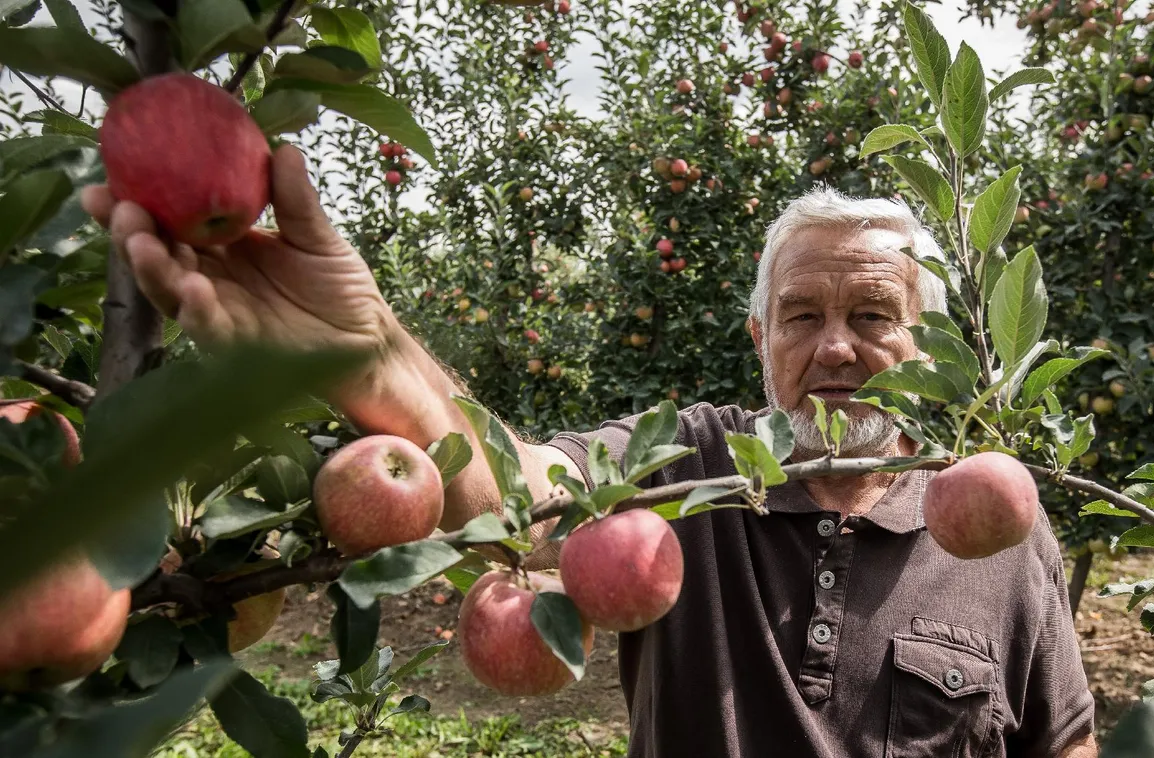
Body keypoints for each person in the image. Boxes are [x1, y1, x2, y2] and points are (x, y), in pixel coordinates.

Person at [82, 145, 1097, 757]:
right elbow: (514, 489)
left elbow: (1063, 738)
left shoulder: (1002, 527)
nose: (835, 346)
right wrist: (372, 352)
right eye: (801, 314)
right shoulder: (689, 463)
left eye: (874, 313)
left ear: (927, 345)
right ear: (760, 339)